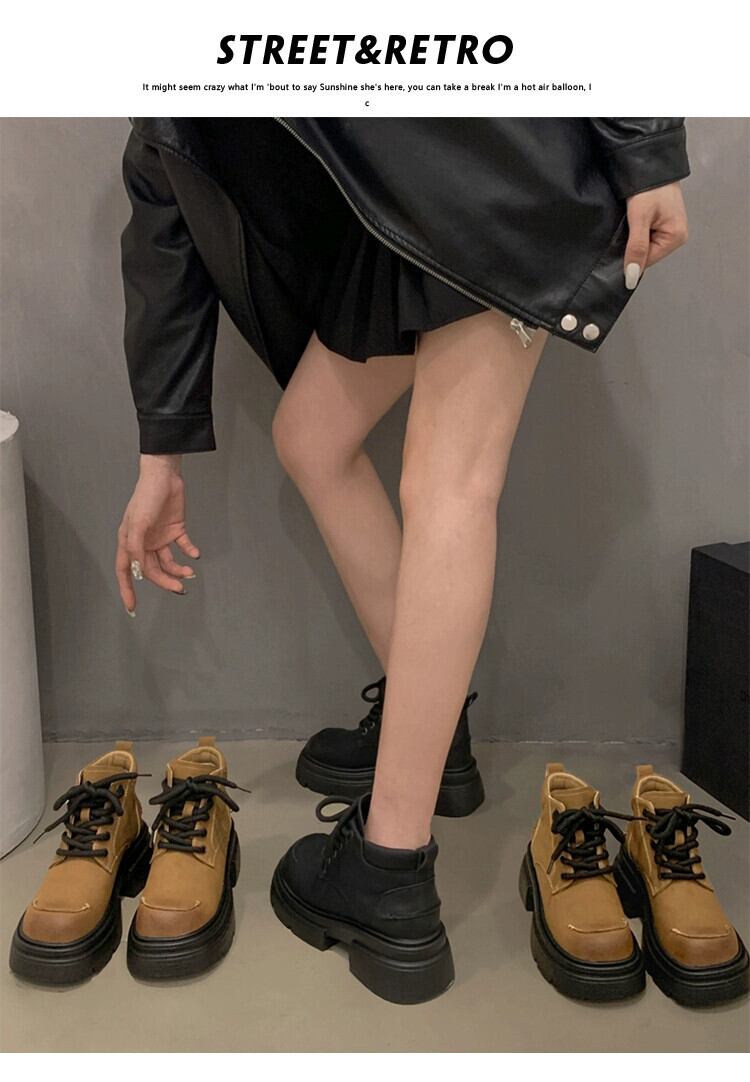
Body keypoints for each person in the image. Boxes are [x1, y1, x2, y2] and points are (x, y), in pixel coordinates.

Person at [116, 117, 690, 1002]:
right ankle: (434, 734)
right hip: (389, 209)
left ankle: (390, 869)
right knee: (312, 437)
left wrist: (646, 149)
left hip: (498, 163)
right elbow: (166, 207)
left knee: (450, 484)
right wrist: (160, 458)